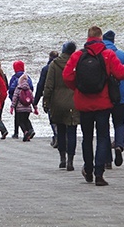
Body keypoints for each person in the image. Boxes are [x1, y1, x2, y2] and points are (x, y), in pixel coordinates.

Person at [63, 26, 124, 186]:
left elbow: (67, 76)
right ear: (101, 37)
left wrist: (78, 87)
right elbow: (121, 73)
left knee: (87, 138)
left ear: (88, 37)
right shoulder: (108, 54)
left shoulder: (78, 55)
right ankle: (99, 173)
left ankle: (88, 169)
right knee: (103, 136)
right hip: (103, 102)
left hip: (83, 102)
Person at [43, 42, 79, 171]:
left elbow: (49, 85)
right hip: (73, 102)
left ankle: (62, 158)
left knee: (61, 131)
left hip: (57, 102)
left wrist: (46, 100)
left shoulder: (54, 64)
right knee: (72, 130)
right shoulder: (77, 63)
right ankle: (70, 160)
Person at [102, 30, 124, 168]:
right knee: (119, 123)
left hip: (103, 96)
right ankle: (119, 145)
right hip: (120, 95)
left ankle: (107, 159)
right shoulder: (121, 55)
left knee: (104, 127)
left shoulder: (100, 54)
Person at [35, 50, 59, 148]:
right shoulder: (63, 66)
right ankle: (61, 136)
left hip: (50, 96)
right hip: (62, 96)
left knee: (52, 118)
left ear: (49, 57)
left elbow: (41, 85)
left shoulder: (46, 69)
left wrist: (35, 101)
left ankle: (57, 135)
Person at [8, 60, 33, 139]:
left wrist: (12, 101)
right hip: (27, 101)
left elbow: (11, 89)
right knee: (25, 117)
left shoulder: (14, 78)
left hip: (18, 102)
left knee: (18, 118)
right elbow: (31, 88)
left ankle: (17, 133)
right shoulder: (27, 78)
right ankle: (30, 130)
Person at [11, 73, 38, 141]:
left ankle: (25, 132)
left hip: (19, 109)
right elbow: (33, 99)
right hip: (28, 109)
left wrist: (12, 107)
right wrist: (35, 108)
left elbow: (15, 98)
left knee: (20, 121)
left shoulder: (18, 89)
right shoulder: (29, 89)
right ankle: (31, 130)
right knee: (26, 120)